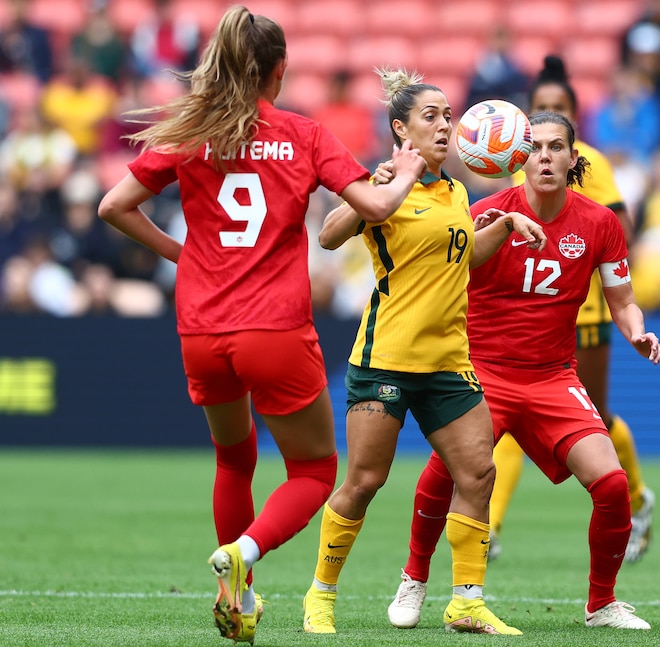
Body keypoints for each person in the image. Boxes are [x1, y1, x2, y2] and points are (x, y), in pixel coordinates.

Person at [96, 7, 427, 644]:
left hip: (200, 330)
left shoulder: (194, 131)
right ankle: (244, 555)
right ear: (279, 71)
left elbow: (114, 206)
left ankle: (240, 600)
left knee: (233, 457)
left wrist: (182, 254)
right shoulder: (302, 135)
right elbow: (378, 207)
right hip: (273, 328)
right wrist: (408, 170)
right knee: (312, 474)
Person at [385, 111, 660, 632]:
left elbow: (622, 300)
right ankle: (414, 579)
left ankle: (601, 604)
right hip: (482, 374)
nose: (544, 157)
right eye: (534, 147)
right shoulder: (488, 213)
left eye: (556, 147)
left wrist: (637, 331)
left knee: (610, 484)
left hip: (554, 377)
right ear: (518, 157)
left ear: (573, 159)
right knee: (448, 471)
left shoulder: (600, 224)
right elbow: (449, 280)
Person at [302, 66, 546, 636]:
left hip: (447, 363)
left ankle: (465, 602)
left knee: (479, 472)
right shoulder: (380, 181)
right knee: (364, 481)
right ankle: (321, 594)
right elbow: (329, 235)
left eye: (448, 115)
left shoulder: (457, 191)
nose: (445, 126)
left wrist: (506, 224)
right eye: (430, 117)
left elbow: (461, 257)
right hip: (384, 359)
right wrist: (381, 187)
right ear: (400, 129)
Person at [492, 55, 657, 564]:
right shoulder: (515, 165)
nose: (547, 113)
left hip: (583, 315)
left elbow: (620, 230)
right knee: (510, 425)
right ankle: (489, 529)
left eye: (556, 109)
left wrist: (586, 257)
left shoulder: (590, 164)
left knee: (597, 420)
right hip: (523, 318)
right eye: (539, 107)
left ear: (573, 120)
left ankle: (636, 501)